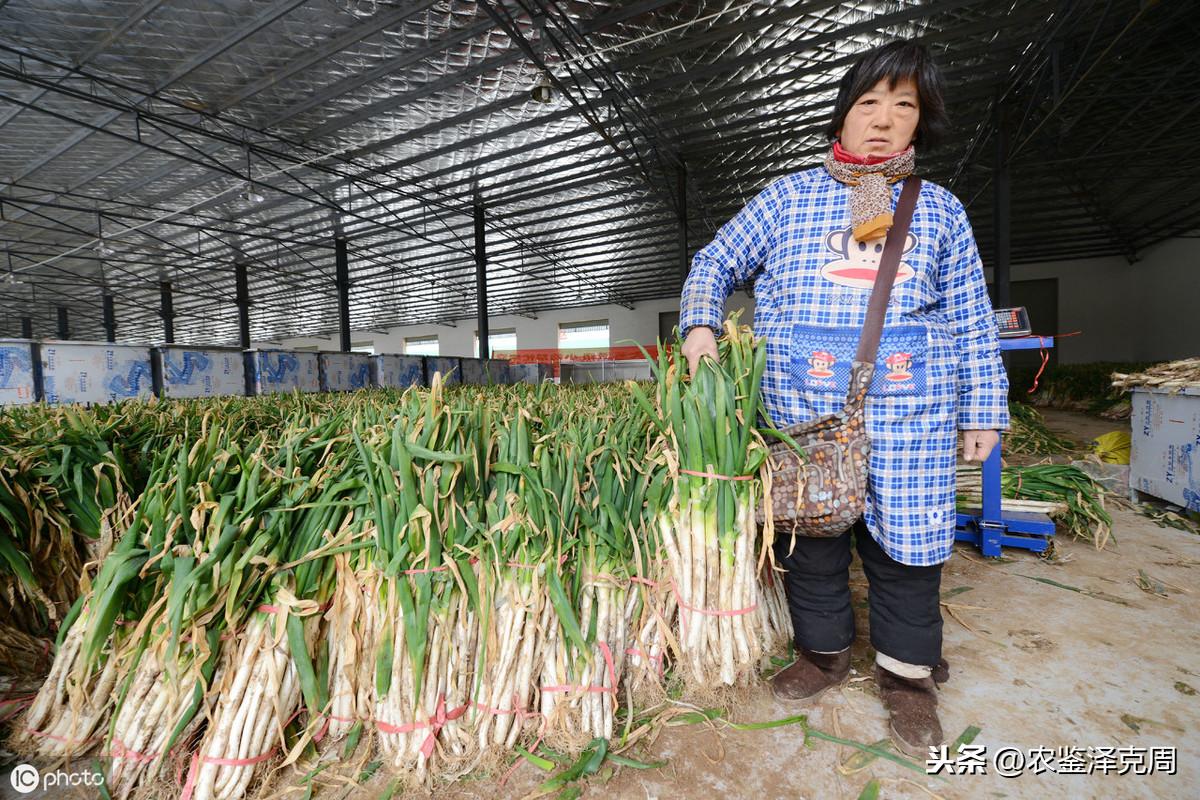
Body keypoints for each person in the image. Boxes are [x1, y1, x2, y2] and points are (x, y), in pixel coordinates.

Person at [678, 39, 1008, 757]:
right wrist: (700, 326)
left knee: (907, 552)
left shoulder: (942, 211)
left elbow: (971, 316)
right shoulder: (788, 197)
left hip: (910, 413)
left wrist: (983, 411)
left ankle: (908, 683)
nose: (884, 120)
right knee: (813, 544)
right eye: (869, 103)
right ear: (843, 114)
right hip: (805, 414)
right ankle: (823, 657)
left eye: (903, 106)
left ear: (921, 123)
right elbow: (714, 260)